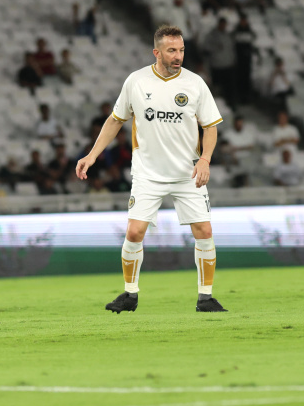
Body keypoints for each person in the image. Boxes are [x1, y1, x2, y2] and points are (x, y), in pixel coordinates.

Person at [75, 25, 227, 314]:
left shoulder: (195, 84)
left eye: (181, 50)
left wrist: (205, 159)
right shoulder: (136, 81)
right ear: (157, 52)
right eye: (172, 50)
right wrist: (92, 155)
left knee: (204, 230)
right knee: (134, 232)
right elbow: (115, 120)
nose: (178, 55)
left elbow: (210, 127)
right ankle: (130, 295)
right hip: (147, 173)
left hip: (187, 173)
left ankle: (205, 298)